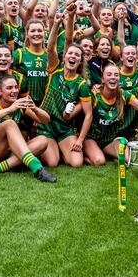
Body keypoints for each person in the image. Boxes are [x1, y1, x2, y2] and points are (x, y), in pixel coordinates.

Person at [0, 75, 57, 182]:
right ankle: (37, 168)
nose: (15, 91)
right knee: (9, 124)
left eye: (16, 87)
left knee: (43, 141)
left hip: (8, 153)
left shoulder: (20, 103)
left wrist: (35, 108)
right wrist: (9, 110)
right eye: (9, 88)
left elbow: (45, 120)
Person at [37, 13, 93, 168]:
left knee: (76, 163)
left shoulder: (81, 84)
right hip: (46, 125)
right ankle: (53, 149)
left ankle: (63, 150)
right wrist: (55, 24)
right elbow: (50, 48)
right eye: (70, 53)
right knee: (52, 163)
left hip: (64, 128)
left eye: (77, 55)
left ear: (80, 61)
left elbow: (88, 114)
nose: (73, 56)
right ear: (64, 57)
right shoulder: (55, 69)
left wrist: (80, 140)